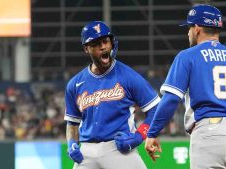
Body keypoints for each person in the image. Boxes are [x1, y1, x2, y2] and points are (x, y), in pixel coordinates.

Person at [145, 4, 226, 169]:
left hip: (210, 134)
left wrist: (152, 132)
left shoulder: (187, 57)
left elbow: (171, 99)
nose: (188, 32)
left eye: (189, 27)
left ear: (197, 28)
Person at [64, 21, 160, 169]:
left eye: (105, 41)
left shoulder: (128, 76)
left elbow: (156, 110)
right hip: (87, 152)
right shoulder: (75, 84)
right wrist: (71, 144)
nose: (103, 46)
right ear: (86, 49)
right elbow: (72, 123)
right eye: (96, 43)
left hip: (118, 148)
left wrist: (139, 136)